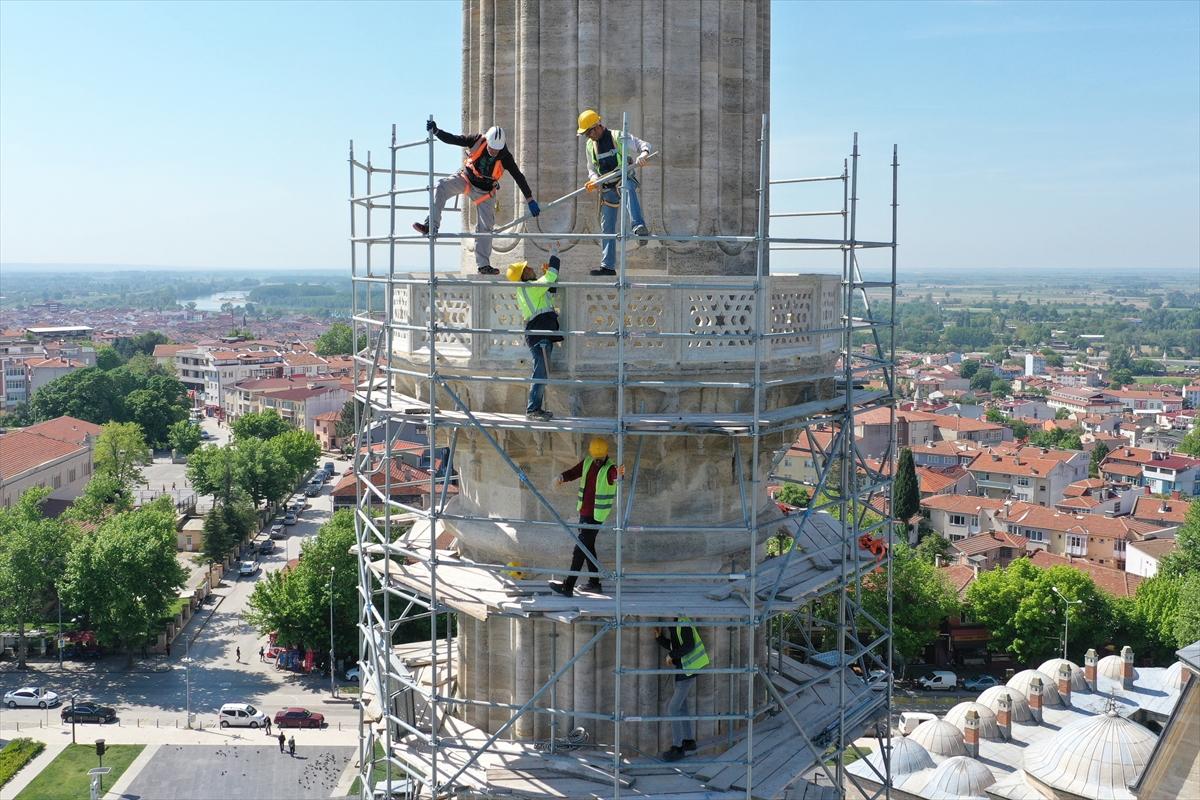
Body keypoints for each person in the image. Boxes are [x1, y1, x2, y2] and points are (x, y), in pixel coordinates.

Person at [413, 120, 540, 275]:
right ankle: (431, 226)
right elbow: (455, 139)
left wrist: (530, 199)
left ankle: (483, 265)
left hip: (485, 192)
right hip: (466, 179)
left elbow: (519, 177)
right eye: (492, 148)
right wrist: (437, 131)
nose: (494, 152)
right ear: (487, 141)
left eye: (497, 150)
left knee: (485, 227)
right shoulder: (477, 140)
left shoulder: (505, 156)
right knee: (441, 186)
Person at [576, 109, 652, 276]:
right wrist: (594, 179)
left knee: (627, 189)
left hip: (622, 180)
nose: (588, 137)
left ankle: (639, 227)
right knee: (607, 227)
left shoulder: (618, 136)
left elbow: (643, 145)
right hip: (607, 187)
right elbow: (591, 168)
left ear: (596, 127)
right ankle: (608, 267)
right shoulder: (590, 145)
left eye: (588, 133)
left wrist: (643, 155)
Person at [548, 437, 624, 597]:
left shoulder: (610, 469)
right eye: (595, 457)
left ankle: (568, 587)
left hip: (596, 516)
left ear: (605, 455)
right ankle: (595, 583)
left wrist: (620, 473)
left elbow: (617, 478)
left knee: (580, 549)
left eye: (599, 458)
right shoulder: (588, 461)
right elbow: (575, 472)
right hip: (584, 512)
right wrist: (561, 477)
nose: (596, 460)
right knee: (588, 547)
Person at [507, 256, 561, 421]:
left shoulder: (528, 288)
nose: (531, 268)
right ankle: (533, 410)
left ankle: (536, 409)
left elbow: (550, 293)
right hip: (540, 333)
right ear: (523, 275)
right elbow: (551, 276)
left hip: (540, 332)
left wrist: (548, 280)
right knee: (540, 373)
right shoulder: (530, 287)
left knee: (542, 372)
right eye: (527, 268)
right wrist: (554, 256)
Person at [655, 617, 709, 761]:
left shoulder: (683, 624)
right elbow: (676, 646)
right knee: (682, 707)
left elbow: (689, 646)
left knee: (673, 708)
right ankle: (688, 741)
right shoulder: (676, 623)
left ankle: (677, 748)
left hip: (688, 670)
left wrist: (672, 655)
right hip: (684, 670)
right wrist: (659, 638)